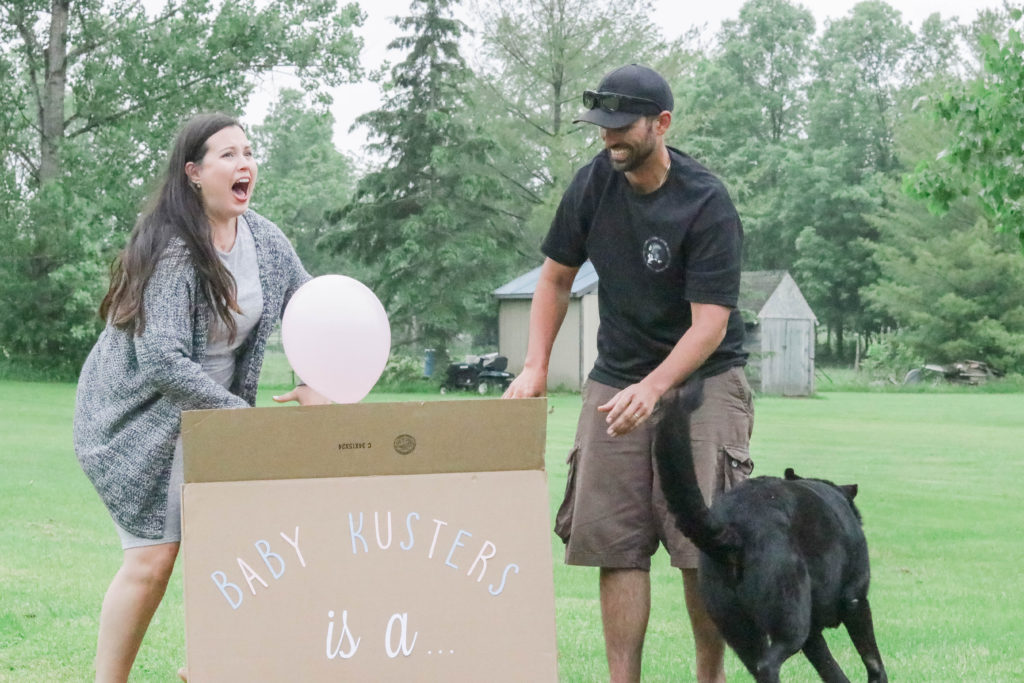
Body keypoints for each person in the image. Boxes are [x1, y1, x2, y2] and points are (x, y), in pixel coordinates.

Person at [503, 64, 754, 683]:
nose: (608, 138)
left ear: (661, 124)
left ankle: (708, 676)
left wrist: (655, 387)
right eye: (601, 127)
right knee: (615, 542)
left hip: (703, 383)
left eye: (621, 127)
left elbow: (709, 326)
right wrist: (535, 365)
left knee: (702, 545)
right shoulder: (593, 184)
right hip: (617, 374)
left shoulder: (706, 202)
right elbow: (556, 277)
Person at [73, 113, 327, 682]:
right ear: (193, 173)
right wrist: (244, 420)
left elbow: (309, 307)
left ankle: (213, 665)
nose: (245, 165)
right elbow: (163, 362)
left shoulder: (264, 238)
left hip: (213, 419)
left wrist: (317, 375)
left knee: (250, 542)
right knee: (152, 559)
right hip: (142, 418)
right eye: (228, 156)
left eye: (249, 153)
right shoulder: (173, 251)